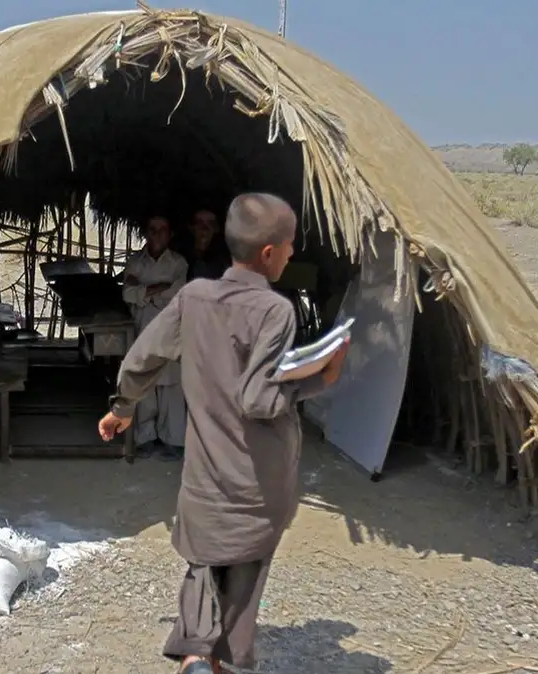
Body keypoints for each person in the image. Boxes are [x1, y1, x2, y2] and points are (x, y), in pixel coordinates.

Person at [98, 193, 349, 673]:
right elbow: (258, 399)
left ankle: (195, 652)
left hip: (206, 465)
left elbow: (144, 356)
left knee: (205, 559)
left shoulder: (194, 297)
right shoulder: (274, 310)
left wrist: (122, 407)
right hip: (258, 469)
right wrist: (321, 377)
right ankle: (224, 659)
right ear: (269, 254)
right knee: (245, 566)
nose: (294, 252)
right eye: (290, 244)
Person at [121, 215, 189, 458]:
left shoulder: (179, 263)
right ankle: (145, 437)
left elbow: (178, 293)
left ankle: (173, 438)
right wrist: (160, 288)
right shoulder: (135, 262)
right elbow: (127, 294)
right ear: (146, 233)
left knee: (172, 385)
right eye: (153, 229)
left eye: (162, 230)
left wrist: (143, 291)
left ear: (170, 234)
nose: (157, 234)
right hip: (142, 329)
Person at [185, 209, 229, 281]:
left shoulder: (225, 263)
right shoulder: (179, 260)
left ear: (217, 228)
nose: (205, 228)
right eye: (199, 222)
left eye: (211, 223)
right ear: (191, 227)